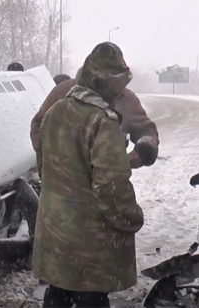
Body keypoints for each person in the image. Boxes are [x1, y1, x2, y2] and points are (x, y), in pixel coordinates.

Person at [32, 42, 145, 308]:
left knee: (57, 295)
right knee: (89, 299)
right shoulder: (103, 122)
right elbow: (112, 190)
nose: (120, 94)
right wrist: (133, 218)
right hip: (89, 252)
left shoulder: (54, 112)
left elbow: (44, 169)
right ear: (107, 84)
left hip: (56, 236)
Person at [30, 66, 159, 170]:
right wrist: (50, 156)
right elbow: (38, 124)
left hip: (108, 180)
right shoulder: (62, 92)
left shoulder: (124, 98)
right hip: (63, 184)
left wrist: (142, 152)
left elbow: (146, 129)